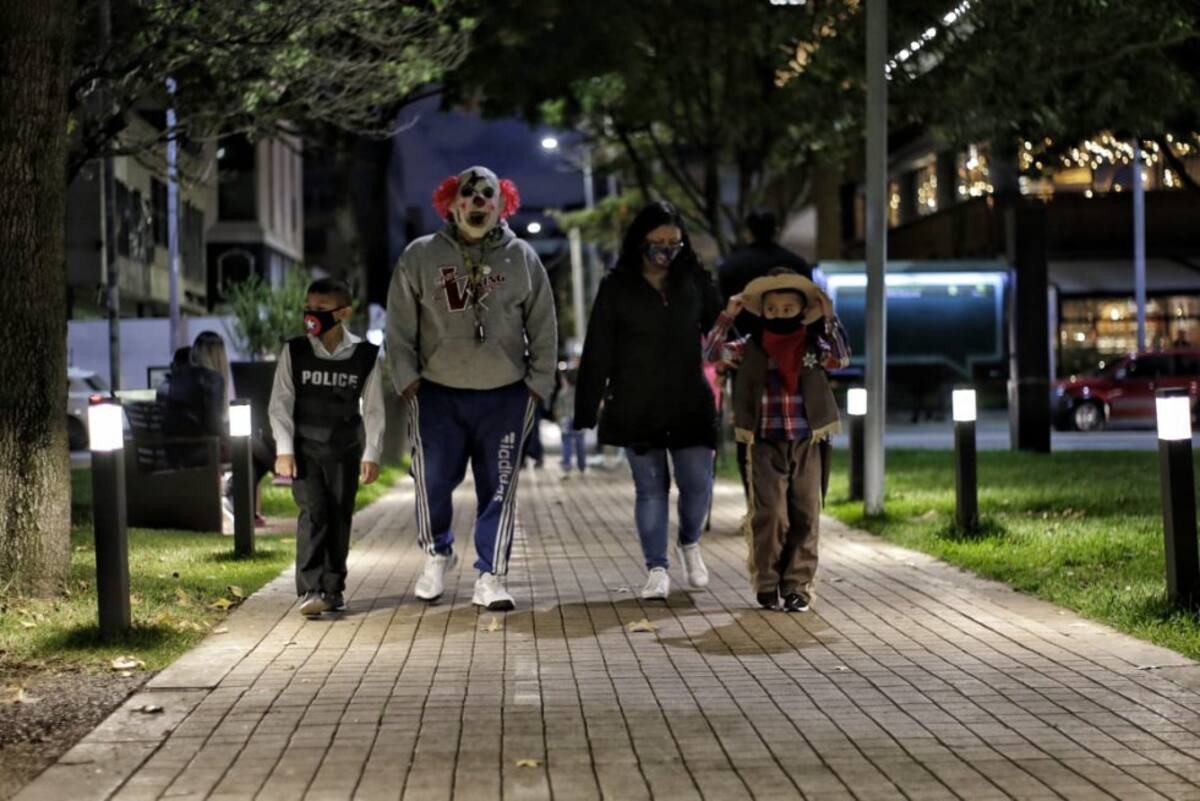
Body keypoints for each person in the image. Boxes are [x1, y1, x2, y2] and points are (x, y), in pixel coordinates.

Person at [387, 166, 558, 612]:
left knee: (498, 488)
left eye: (488, 193)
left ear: (502, 204)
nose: (478, 201)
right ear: (451, 202)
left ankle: (491, 575)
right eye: (469, 193)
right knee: (431, 480)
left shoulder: (522, 257)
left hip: (506, 395)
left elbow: (544, 326)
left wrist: (537, 385)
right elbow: (399, 328)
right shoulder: (420, 255)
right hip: (436, 394)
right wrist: (407, 381)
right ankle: (437, 551)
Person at [574, 201, 720, 600]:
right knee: (651, 489)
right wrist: (586, 408)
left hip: (689, 401)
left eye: (674, 243)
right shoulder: (617, 287)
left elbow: (720, 330)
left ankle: (689, 541)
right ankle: (657, 568)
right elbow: (598, 347)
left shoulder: (694, 281)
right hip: (635, 403)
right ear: (639, 241)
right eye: (657, 242)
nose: (665, 251)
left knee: (697, 483)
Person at [705, 267, 849, 612]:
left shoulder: (813, 344)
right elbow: (712, 354)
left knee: (806, 514)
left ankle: (797, 585)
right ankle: (767, 581)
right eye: (772, 310)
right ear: (763, 313)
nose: (780, 315)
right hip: (764, 442)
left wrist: (829, 316)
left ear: (801, 311)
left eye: (787, 309)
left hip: (807, 441)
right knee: (770, 514)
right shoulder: (750, 346)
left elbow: (841, 357)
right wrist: (727, 316)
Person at [269, 277, 385, 617]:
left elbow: (374, 409)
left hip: (345, 450)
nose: (311, 315)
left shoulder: (364, 355)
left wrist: (372, 453)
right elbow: (280, 403)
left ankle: (333, 590)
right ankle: (311, 588)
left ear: (343, 313)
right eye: (308, 307)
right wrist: (284, 449)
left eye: (321, 309)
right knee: (314, 513)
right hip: (305, 450)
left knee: (339, 516)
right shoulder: (295, 351)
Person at [717, 210, 812, 502]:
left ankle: (756, 498)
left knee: (747, 426)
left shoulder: (732, 266)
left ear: (748, 231)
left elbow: (721, 309)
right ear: (777, 228)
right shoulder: (797, 264)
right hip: (794, 352)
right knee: (795, 423)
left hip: (746, 356)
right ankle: (789, 496)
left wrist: (724, 362)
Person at [554, 359, 586, 477]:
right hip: (579, 420)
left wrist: (558, 420)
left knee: (567, 443)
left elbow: (557, 407)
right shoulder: (582, 393)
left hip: (566, 420)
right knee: (580, 443)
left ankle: (567, 465)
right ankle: (582, 465)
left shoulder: (563, 392)